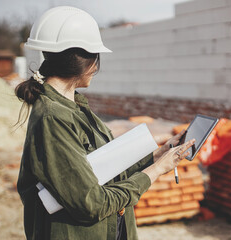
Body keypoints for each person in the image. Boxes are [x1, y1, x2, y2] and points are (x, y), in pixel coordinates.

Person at [15, 6, 195, 240]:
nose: (96, 68)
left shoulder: (74, 107)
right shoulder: (54, 118)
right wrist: (156, 171)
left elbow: (100, 168)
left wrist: (155, 157)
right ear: (81, 61)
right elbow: (91, 203)